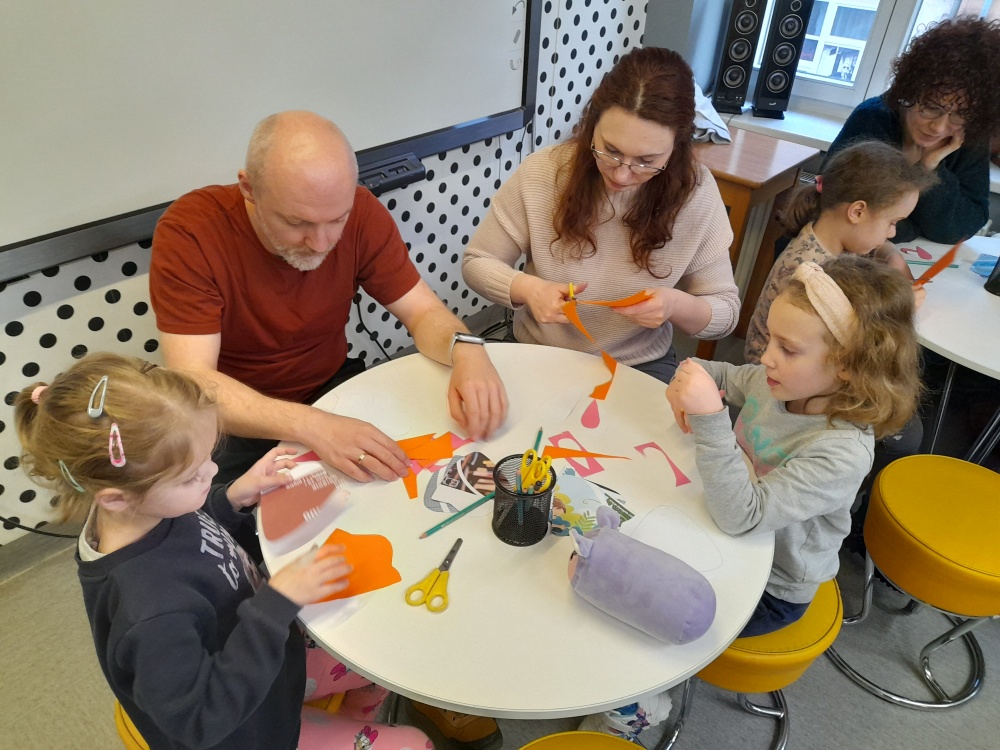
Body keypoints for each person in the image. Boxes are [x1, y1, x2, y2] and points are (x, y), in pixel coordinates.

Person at [14, 353, 433, 750]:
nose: (213, 471)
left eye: (209, 458)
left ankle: (354, 723)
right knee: (416, 743)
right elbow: (201, 720)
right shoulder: (150, 612)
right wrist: (277, 603)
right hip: (249, 728)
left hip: (268, 659)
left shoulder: (139, 512)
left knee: (376, 666)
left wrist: (231, 497)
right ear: (116, 498)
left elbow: (194, 535)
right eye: (192, 476)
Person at [150, 111, 508, 487]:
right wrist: (313, 425)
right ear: (249, 189)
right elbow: (195, 381)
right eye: (297, 222)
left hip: (330, 386)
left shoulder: (363, 213)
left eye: (338, 219)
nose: (321, 244)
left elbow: (422, 311)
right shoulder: (191, 233)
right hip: (234, 420)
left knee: (398, 482)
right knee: (231, 514)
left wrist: (467, 349)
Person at [667, 255, 920, 636]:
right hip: (726, 536)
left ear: (848, 365)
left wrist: (709, 417)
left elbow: (742, 517)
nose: (766, 357)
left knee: (654, 603)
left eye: (788, 348)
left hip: (771, 586)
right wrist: (688, 376)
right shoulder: (778, 383)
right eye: (770, 338)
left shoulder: (842, 452)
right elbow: (720, 374)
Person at [462, 46, 739, 384]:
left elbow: (726, 311)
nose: (621, 174)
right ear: (592, 124)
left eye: (646, 161)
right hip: (540, 350)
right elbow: (477, 262)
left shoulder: (695, 193)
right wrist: (527, 288)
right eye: (611, 150)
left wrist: (675, 306)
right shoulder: (543, 173)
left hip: (639, 363)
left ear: (677, 147)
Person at [745, 141, 936, 364]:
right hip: (774, 371)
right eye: (892, 222)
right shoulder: (810, 270)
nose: (892, 233)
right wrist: (899, 309)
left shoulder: (833, 234)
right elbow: (848, 338)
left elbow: (880, 245)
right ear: (857, 212)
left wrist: (893, 257)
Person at [824, 17, 1000, 244]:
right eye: (931, 108)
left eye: (960, 114)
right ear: (909, 92)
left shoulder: (969, 136)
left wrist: (929, 167)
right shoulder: (873, 120)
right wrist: (914, 228)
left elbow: (962, 228)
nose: (939, 127)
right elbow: (836, 207)